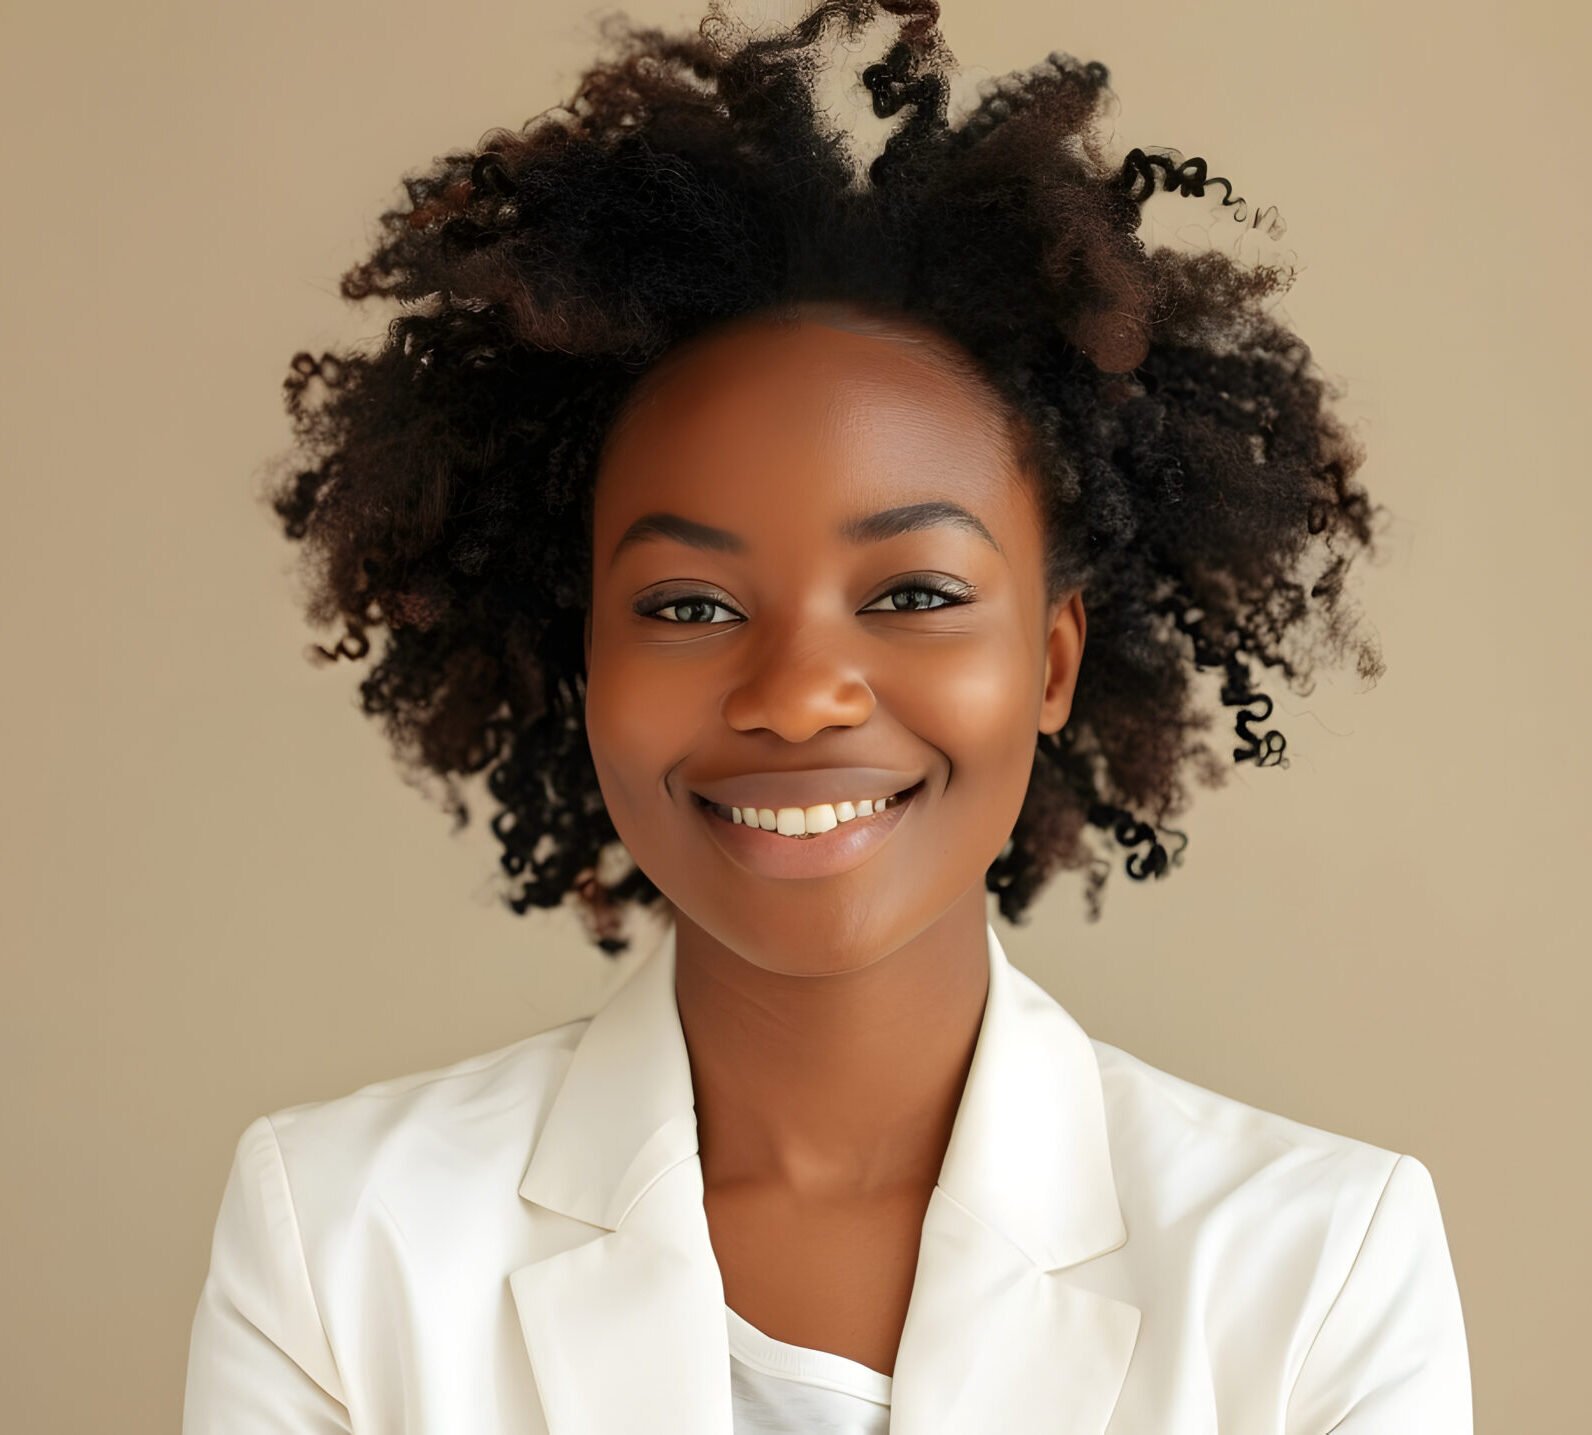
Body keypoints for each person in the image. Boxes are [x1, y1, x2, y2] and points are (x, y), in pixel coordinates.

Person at [183, 1, 1472, 1430]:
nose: (798, 697)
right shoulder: (335, 1241)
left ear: (1051, 664)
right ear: (588, 658)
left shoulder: (1319, 1274)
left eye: (914, 594)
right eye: (687, 606)